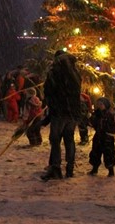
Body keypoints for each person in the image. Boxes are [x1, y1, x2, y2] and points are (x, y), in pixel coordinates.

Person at [40, 50, 82, 181]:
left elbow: (49, 91)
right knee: (69, 139)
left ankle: (56, 168)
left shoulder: (55, 73)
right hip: (73, 112)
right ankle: (69, 169)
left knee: (55, 139)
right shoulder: (75, 73)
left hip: (59, 111)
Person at [88, 97, 115, 177]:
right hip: (98, 137)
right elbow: (92, 122)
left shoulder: (109, 114)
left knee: (109, 154)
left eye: (101, 104)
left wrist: (108, 133)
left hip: (107, 138)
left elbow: (111, 126)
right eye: (98, 104)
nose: (99, 106)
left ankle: (111, 170)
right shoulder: (97, 113)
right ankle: (95, 168)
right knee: (95, 153)